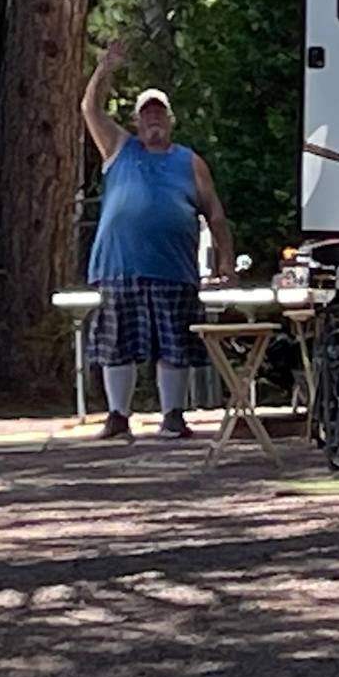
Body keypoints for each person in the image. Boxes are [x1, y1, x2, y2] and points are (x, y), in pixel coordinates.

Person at [79, 39, 235, 440]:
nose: (153, 120)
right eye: (146, 114)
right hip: (119, 265)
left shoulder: (189, 161)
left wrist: (225, 261)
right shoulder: (118, 148)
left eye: (159, 114)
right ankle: (117, 415)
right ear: (135, 122)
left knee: (173, 343)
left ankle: (173, 416)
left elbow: (215, 214)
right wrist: (105, 69)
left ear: (170, 119)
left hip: (173, 268)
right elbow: (89, 109)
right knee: (117, 343)